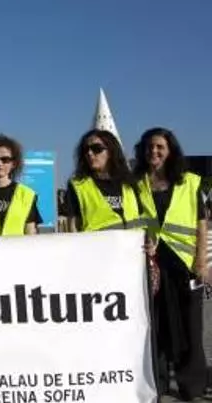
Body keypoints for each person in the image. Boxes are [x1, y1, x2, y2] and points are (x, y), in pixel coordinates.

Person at [133, 127, 208, 401]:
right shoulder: (136, 183)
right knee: (156, 325)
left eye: (160, 147)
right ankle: (159, 383)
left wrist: (202, 261)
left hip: (184, 263)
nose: (154, 151)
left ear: (170, 150)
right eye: (149, 147)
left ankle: (192, 385)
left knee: (191, 325)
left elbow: (201, 223)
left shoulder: (190, 182)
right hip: (151, 263)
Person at [64, 129, 148, 232]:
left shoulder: (129, 183)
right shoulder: (78, 185)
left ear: (111, 152)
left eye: (96, 149)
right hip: (97, 242)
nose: (89, 153)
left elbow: (142, 218)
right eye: (85, 150)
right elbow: (73, 226)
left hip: (132, 241)